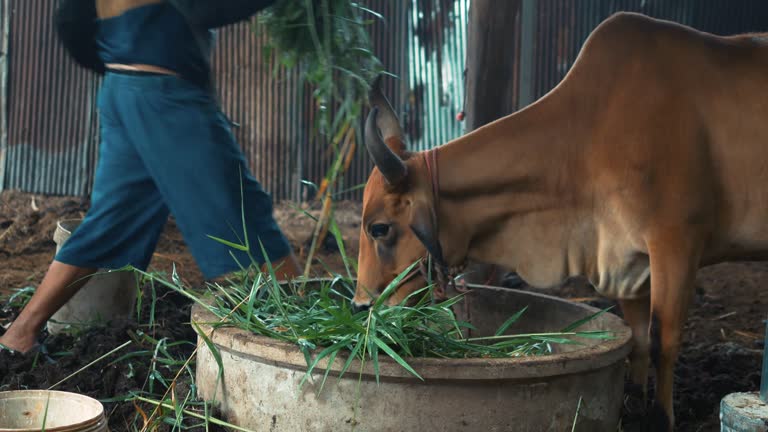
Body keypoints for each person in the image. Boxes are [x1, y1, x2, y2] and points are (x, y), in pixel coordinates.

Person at [0, 0, 302, 353]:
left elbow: (69, 19)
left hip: (124, 88)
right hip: (167, 98)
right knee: (240, 215)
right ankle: (305, 336)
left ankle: (20, 333)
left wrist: (121, 66)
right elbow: (205, 10)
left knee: (111, 221)